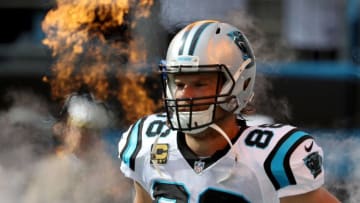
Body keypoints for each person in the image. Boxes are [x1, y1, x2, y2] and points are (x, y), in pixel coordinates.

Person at [118, 20, 340, 203]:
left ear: (240, 84)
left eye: (200, 84)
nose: (185, 96)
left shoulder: (273, 157)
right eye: (179, 83)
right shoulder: (146, 142)